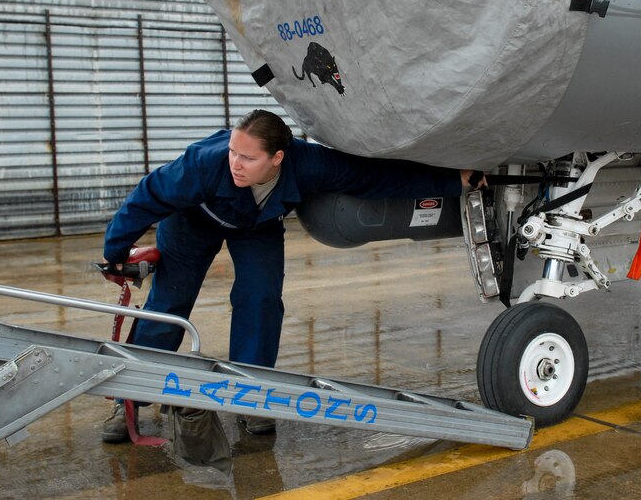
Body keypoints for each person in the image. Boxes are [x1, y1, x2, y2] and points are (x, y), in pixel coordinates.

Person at [101, 109, 479, 441]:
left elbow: (374, 176)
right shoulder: (203, 163)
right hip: (192, 224)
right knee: (169, 304)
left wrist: (453, 182)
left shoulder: (309, 163)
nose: (235, 163)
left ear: (278, 158)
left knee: (261, 299)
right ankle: (129, 399)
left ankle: (249, 396)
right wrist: (115, 252)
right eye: (233, 151)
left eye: (248, 157)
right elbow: (148, 196)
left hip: (257, 226)